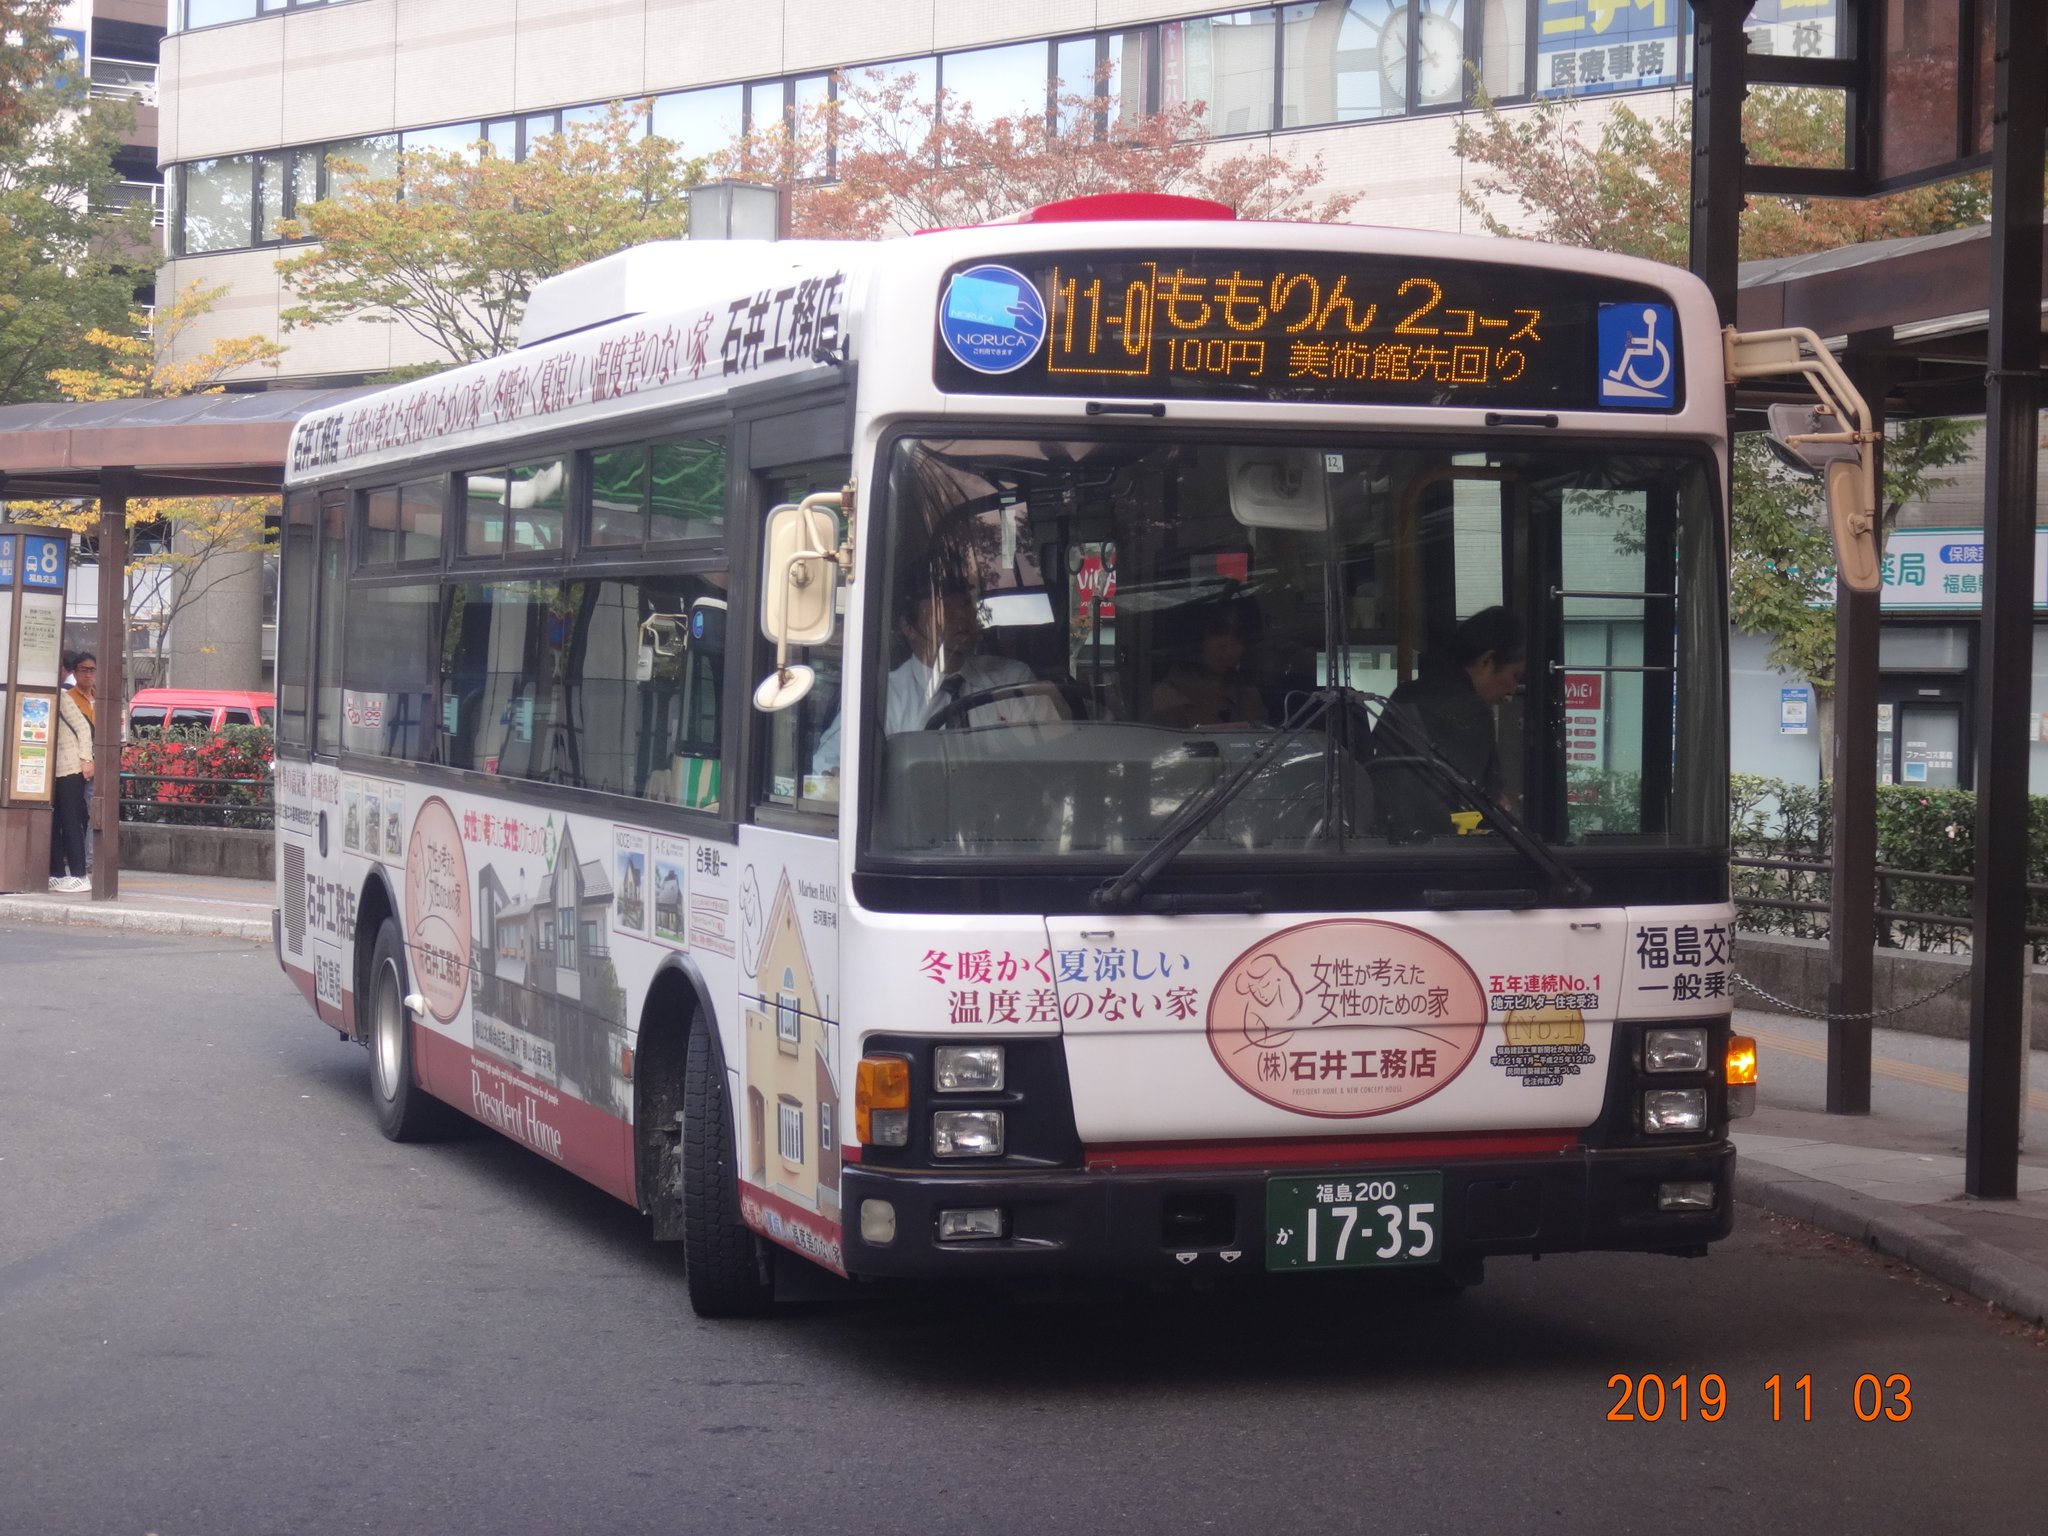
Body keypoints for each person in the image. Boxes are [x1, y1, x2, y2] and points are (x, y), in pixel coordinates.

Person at [812, 583, 1059, 774]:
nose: (962, 616)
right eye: (945, 608)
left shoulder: (1013, 680)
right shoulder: (884, 697)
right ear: (908, 627)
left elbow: (1053, 761)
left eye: (966, 604)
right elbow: (828, 764)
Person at [1373, 607, 1524, 839]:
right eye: (1514, 676)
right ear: (1485, 661)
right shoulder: (1472, 713)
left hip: (1382, 843)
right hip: (1440, 849)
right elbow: (1476, 803)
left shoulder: (1404, 695)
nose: (1512, 691)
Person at [1149, 601, 1269, 729]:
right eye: (1218, 632)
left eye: (1238, 635)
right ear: (1195, 634)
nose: (1229, 647)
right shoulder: (1166, 696)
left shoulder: (1249, 695)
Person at [49, 651, 97, 893]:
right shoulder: (45, 694)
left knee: (70, 821)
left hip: (69, 768)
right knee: (52, 822)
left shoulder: (62, 697)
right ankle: (56, 873)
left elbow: (83, 729)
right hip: (49, 770)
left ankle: (79, 874)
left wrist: (86, 760)